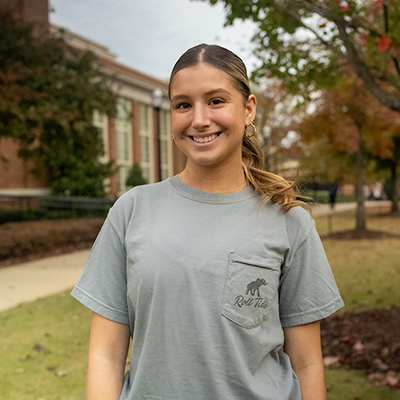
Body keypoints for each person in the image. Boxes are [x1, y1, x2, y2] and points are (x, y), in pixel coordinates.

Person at [71, 43, 344, 400]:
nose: (199, 119)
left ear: (248, 109)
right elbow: (105, 355)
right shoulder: (131, 210)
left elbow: (307, 363)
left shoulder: (288, 221)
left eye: (216, 101)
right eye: (183, 104)